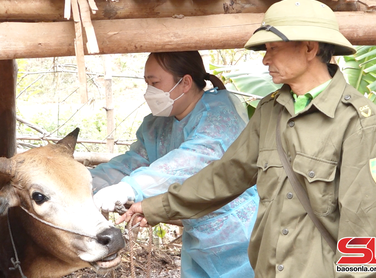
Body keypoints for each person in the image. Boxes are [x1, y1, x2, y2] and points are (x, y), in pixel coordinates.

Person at [117, 0, 376, 277]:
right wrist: (155, 207)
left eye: (273, 48)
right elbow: (226, 176)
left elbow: (365, 226)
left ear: (310, 48)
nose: (265, 58)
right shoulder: (270, 110)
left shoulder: (359, 122)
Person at [90, 51, 260, 277]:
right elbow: (134, 161)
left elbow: (191, 161)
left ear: (185, 83)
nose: (149, 91)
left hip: (238, 234)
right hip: (198, 234)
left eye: (155, 83)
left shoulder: (219, 115)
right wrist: (87, 181)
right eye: (147, 83)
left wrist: (130, 187)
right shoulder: (159, 125)